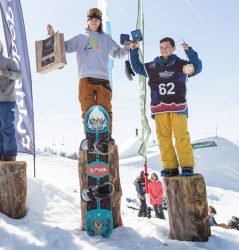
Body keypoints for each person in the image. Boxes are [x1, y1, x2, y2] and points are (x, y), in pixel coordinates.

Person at [47, 8, 133, 143]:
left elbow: (117, 53)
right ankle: (91, 139)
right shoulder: (80, 38)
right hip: (85, 78)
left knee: (105, 109)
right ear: (88, 22)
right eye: (91, 20)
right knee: (87, 110)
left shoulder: (105, 38)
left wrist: (128, 47)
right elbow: (64, 47)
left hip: (103, 78)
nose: (94, 22)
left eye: (96, 20)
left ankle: (106, 138)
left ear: (100, 22)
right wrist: (52, 36)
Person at [129, 38, 202, 177]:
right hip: (159, 108)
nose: (164, 49)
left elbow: (197, 67)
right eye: (161, 47)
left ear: (174, 48)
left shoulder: (181, 64)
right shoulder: (152, 66)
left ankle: (187, 166)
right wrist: (133, 50)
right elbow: (137, 67)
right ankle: (170, 166)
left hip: (178, 107)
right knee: (163, 138)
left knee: (181, 136)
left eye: (167, 47)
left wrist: (189, 51)